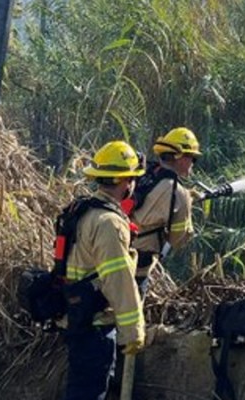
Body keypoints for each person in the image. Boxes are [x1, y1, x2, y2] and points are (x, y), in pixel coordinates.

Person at [63, 140, 145, 400]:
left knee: (80, 389)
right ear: (124, 181)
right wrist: (133, 331)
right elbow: (117, 279)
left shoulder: (83, 211)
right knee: (89, 393)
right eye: (132, 177)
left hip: (76, 316)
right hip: (96, 324)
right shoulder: (109, 222)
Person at [131, 127, 200, 290]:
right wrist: (186, 205)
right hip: (137, 267)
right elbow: (178, 239)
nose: (193, 164)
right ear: (181, 157)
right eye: (193, 158)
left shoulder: (143, 171)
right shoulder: (178, 193)